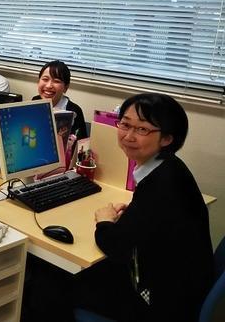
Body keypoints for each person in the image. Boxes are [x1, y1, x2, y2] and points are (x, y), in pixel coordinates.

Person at [73, 93, 213, 322]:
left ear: (167, 138)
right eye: (125, 124)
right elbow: (154, 221)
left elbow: (116, 247)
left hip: (161, 303)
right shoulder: (170, 167)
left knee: (61, 281)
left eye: (142, 129)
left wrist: (104, 220)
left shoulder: (162, 184)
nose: (128, 136)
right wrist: (134, 214)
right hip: (178, 284)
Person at [32, 60, 87, 139]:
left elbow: (82, 142)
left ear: (65, 87)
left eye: (56, 81)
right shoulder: (35, 101)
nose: (49, 86)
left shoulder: (75, 111)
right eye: (45, 79)